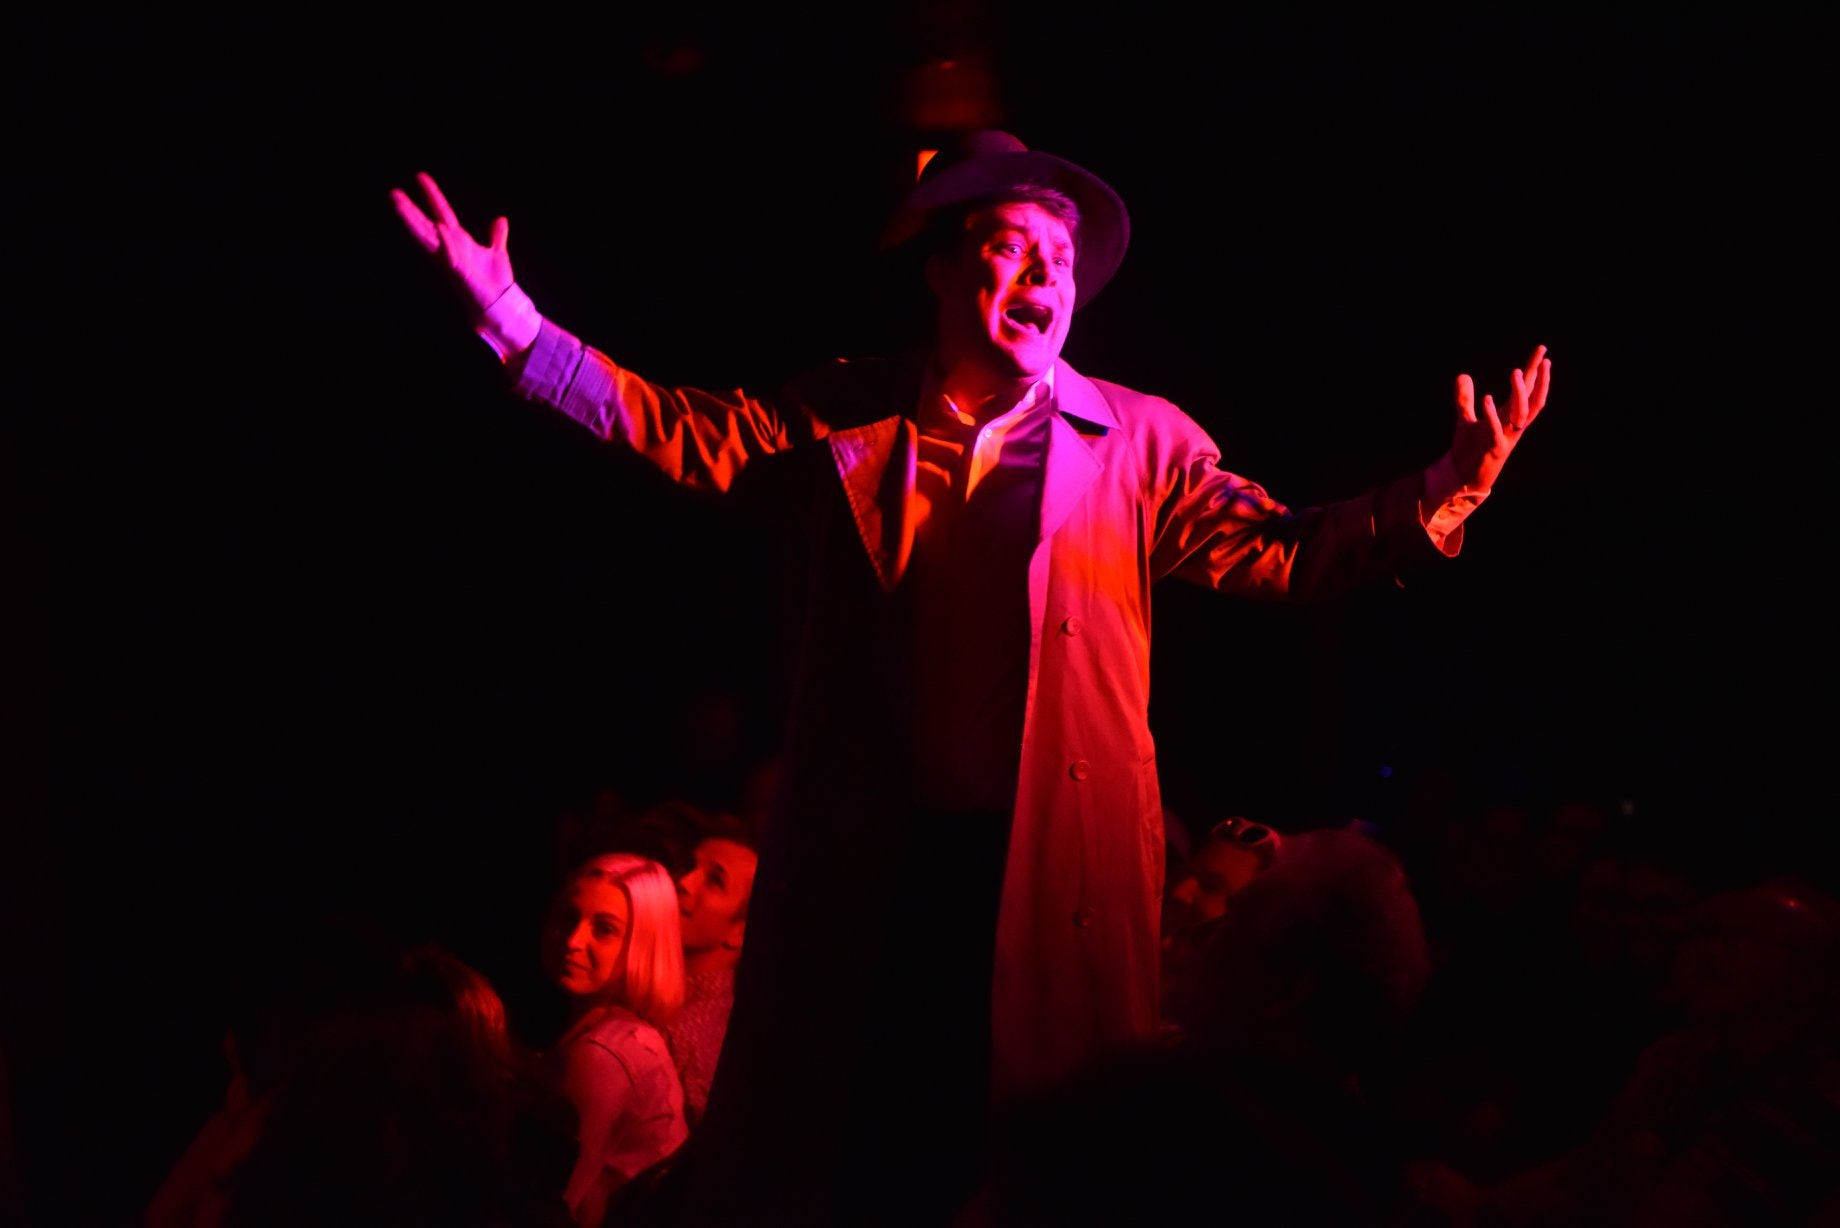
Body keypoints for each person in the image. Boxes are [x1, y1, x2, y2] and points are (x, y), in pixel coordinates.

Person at [390, 127, 1552, 1222]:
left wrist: (1448, 487)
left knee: (1044, 1159)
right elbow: (679, 431)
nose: (1044, 275)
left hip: (1052, 866)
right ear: (943, 267)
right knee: (859, 1150)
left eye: (1059, 256)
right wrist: (516, 323)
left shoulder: (1138, 441)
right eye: (1011, 246)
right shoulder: (850, 412)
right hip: (880, 863)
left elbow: (1290, 550)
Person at [538, 851, 690, 1228]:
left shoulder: (603, 1054)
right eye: (570, 917)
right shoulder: (623, 1034)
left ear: (643, 944)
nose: (573, 940)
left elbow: (554, 1201)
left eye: (603, 929)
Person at [661, 807, 761, 1132]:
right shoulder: (666, 998)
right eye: (689, 866)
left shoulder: (688, 1039)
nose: (685, 882)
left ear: (740, 931)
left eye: (714, 880)